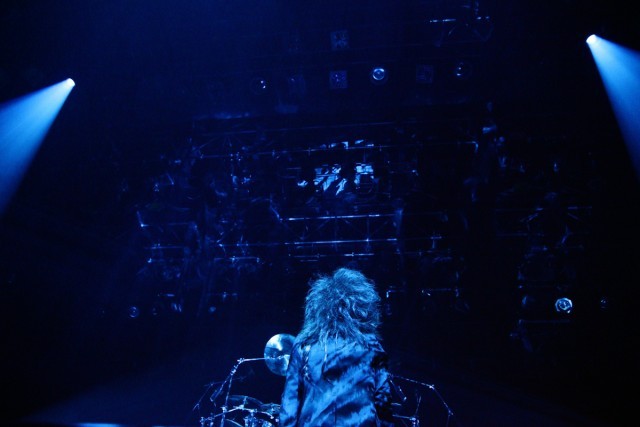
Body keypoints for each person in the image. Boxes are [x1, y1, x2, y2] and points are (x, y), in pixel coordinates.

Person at [279, 267, 395, 427]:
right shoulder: (371, 346)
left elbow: (290, 405)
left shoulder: (305, 344)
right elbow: (383, 402)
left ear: (319, 307)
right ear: (361, 306)